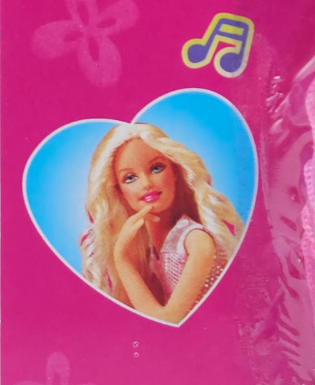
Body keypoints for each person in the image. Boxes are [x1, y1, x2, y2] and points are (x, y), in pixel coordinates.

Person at [79, 122, 242, 324]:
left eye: (156, 168)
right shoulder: (151, 250)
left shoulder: (196, 240)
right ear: (119, 192)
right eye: (130, 178)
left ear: (175, 172)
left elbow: (167, 319)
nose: (146, 183)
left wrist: (121, 257)